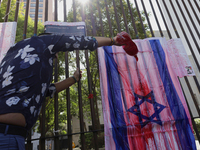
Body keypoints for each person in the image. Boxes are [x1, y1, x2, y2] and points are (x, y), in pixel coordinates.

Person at [0, 33, 122, 149]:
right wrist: (112, 40)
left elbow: (45, 91)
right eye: (54, 56)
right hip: (7, 134)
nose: (54, 59)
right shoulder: (46, 42)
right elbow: (81, 41)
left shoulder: (12, 53)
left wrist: (73, 79)